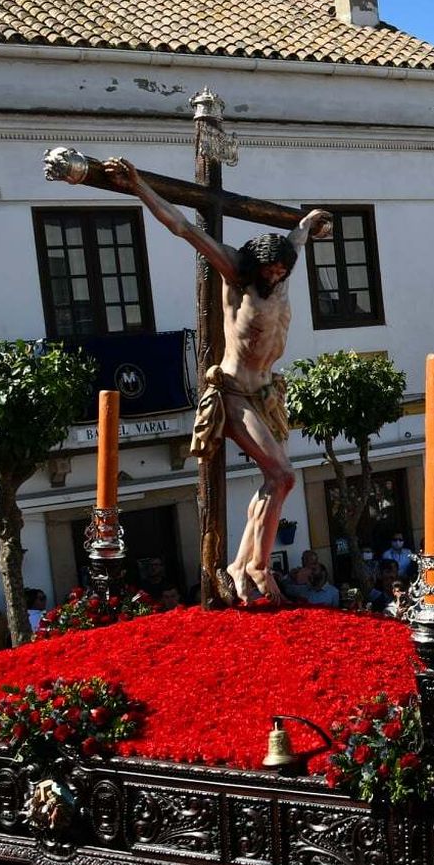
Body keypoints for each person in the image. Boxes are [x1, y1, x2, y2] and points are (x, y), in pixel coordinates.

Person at [106, 157, 330, 605]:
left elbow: (297, 238)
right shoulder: (236, 271)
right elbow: (184, 228)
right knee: (282, 477)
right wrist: (139, 187)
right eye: (268, 271)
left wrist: (306, 224)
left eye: (281, 271)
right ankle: (257, 567)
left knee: (275, 481)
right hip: (234, 391)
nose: (275, 276)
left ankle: (245, 565)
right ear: (254, 266)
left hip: (266, 392)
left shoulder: (284, 268)